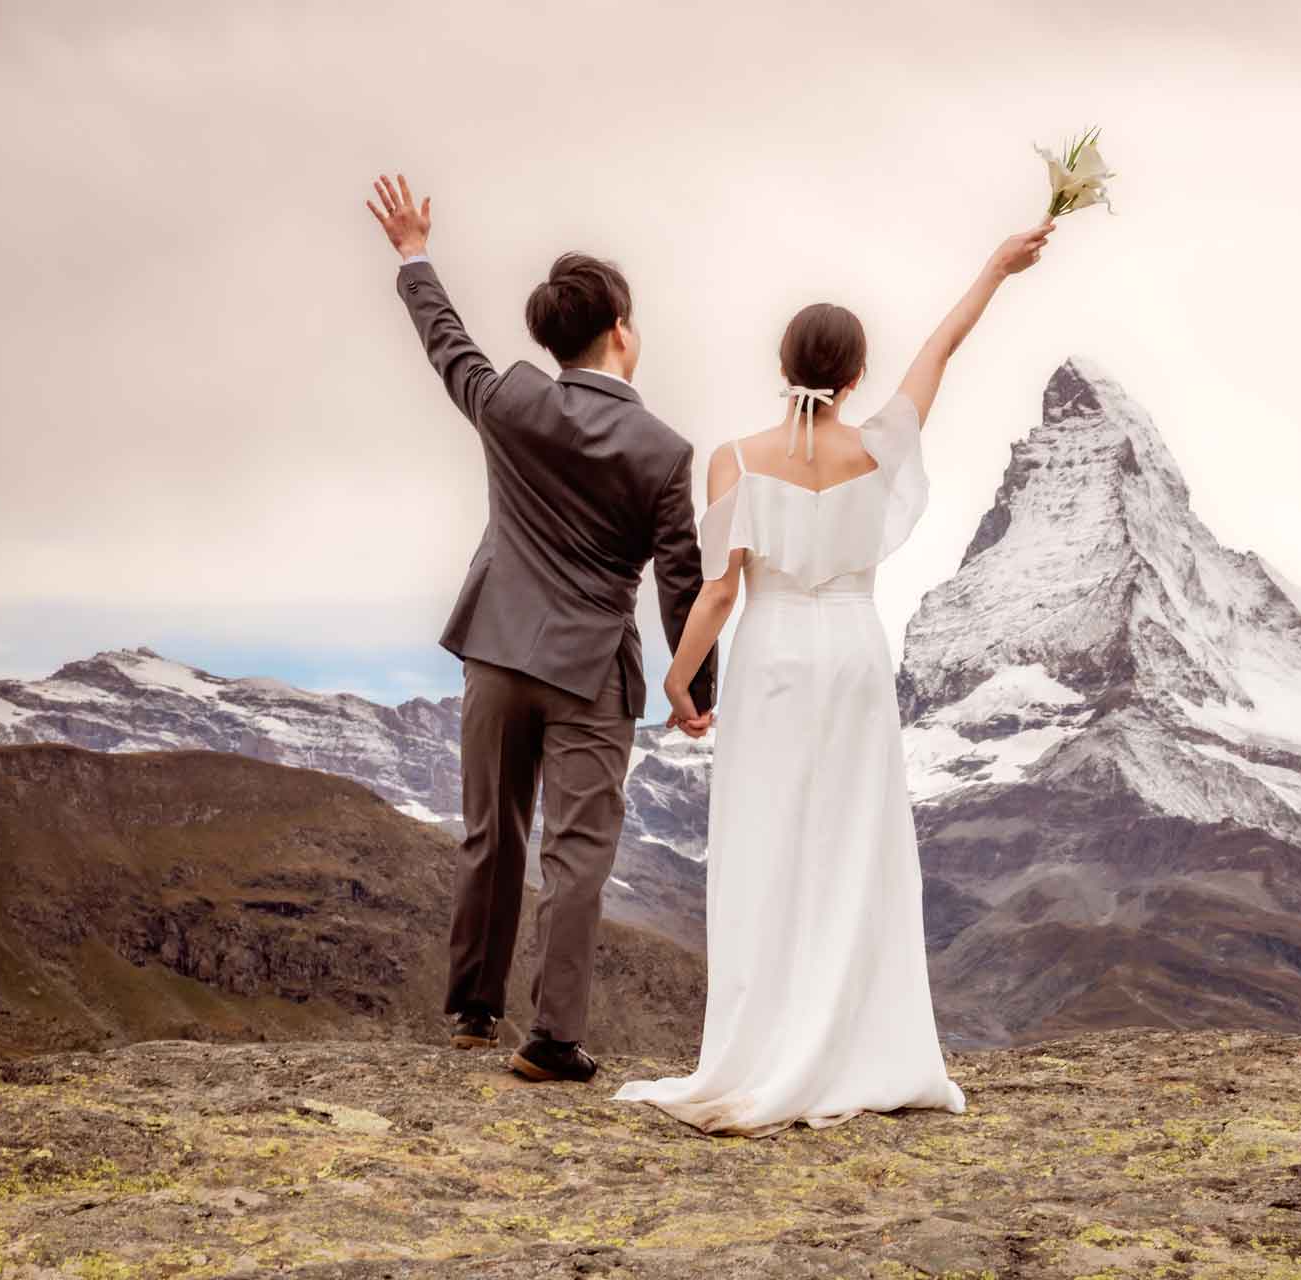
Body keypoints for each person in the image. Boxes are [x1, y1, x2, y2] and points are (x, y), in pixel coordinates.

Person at [611, 218, 1055, 1136]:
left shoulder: (735, 458)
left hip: (772, 652)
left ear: (784, 365)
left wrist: (679, 681)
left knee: (768, 842)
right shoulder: (877, 447)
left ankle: (764, 1047)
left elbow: (719, 593)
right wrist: (995, 267)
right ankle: (861, 1044)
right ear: (854, 375)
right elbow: (943, 347)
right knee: (856, 843)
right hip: (852, 653)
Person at [365, 173, 717, 1084]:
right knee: (578, 854)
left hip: (495, 651)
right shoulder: (664, 452)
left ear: (553, 339)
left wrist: (414, 253)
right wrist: (696, 688)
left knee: (491, 831)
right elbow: (683, 580)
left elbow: (449, 348)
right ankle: (552, 1040)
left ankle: (473, 1013)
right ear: (623, 333)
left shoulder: (512, 403)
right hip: (590, 670)